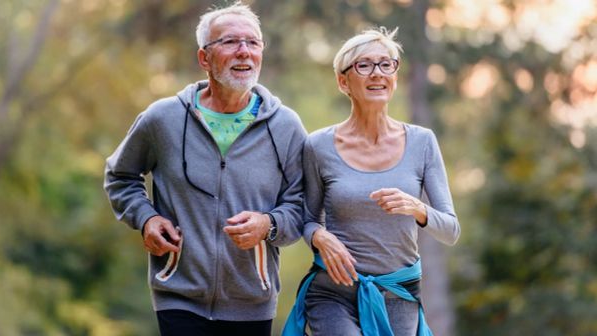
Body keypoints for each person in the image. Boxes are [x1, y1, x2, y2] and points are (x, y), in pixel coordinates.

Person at [103, 2, 307, 335]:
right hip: (178, 295)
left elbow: (305, 204)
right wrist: (147, 219)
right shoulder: (163, 119)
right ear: (204, 58)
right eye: (229, 42)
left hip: (252, 300)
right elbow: (120, 177)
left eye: (253, 42)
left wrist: (268, 224)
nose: (244, 52)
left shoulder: (285, 126)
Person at [283, 27, 460, 336]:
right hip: (333, 292)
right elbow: (308, 220)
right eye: (364, 65)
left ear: (395, 75)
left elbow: (451, 230)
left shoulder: (422, 142)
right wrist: (320, 238)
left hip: (398, 294)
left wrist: (417, 208)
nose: (377, 73)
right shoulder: (318, 146)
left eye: (386, 64)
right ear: (343, 81)